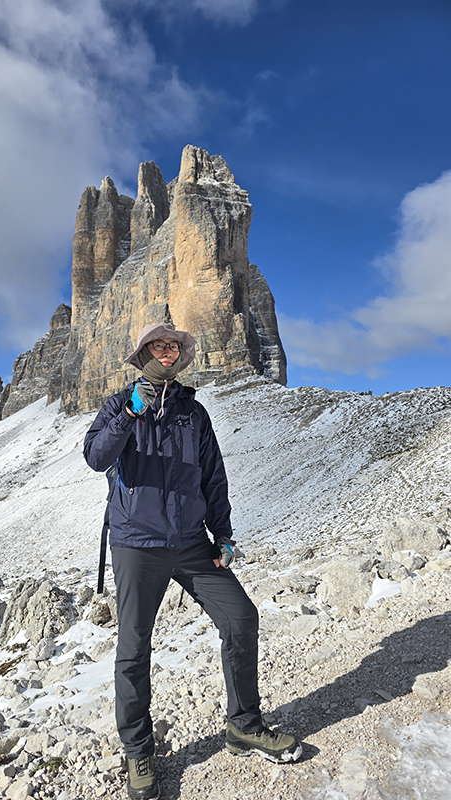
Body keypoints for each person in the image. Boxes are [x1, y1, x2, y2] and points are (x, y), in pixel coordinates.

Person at [83, 323, 301, 800]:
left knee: (241, 618)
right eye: (158, 345)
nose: (168, 351)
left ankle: (244, 725)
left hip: (190, 542)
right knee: (134, 647)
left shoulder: (193, 412)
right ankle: (138, 751)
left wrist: (222, 534)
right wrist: (130, 413)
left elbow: (213, 476)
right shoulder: (118, 405)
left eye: (173, 346)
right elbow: (96, 457)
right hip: (137, 543)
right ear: (142, 353)